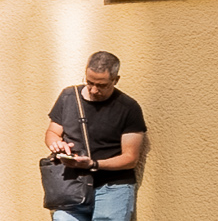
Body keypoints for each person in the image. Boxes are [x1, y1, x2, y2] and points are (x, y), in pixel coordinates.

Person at [44, 53, 148, 221]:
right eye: (89, 82)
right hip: (72, 185)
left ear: (116, 80)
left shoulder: (129, 108)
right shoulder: (69, 96)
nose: (93, 90)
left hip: (113, 187)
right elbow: (52, 133)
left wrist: (93, 164)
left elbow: (130, 158)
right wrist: (56, 144)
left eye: (101, 85)